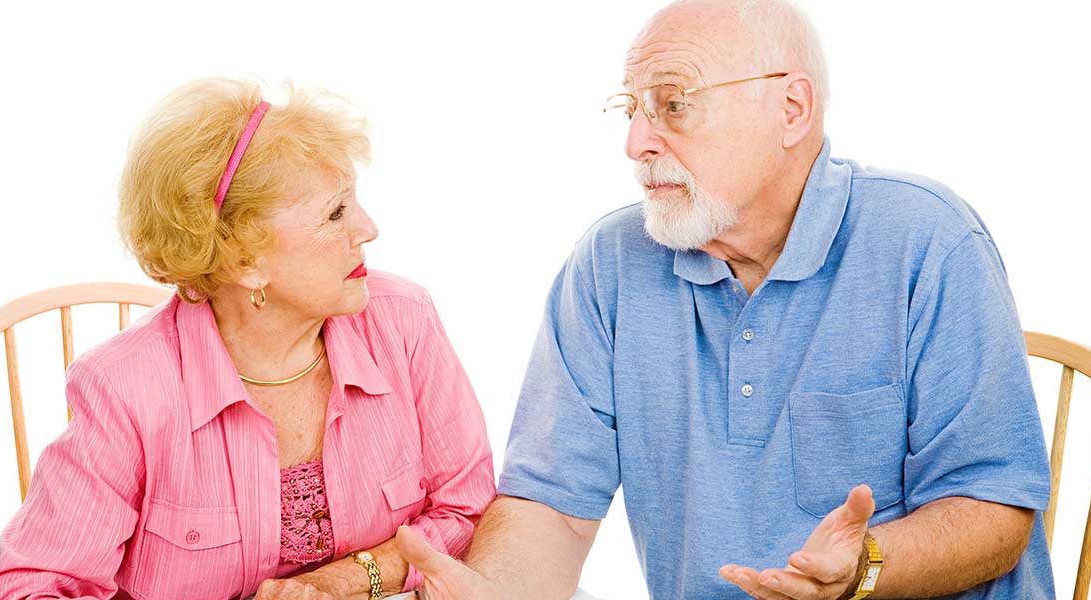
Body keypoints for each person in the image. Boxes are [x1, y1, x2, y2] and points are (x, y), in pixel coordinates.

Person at [395, 1, 1054, 598]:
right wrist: (498, 589)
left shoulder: (929, 239)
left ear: (791, 109)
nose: (635, 144)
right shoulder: (610, 263)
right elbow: (552, 508)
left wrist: (863, 566)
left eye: (673, 104)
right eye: (632, 109)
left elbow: (993, 512)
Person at [0, 77, 495, 600]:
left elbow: (469, 506)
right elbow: (26, 590)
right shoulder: (125, 388)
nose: (368, 227)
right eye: (335, 213)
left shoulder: (403, 321)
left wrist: (339, 581)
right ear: (245, 260)